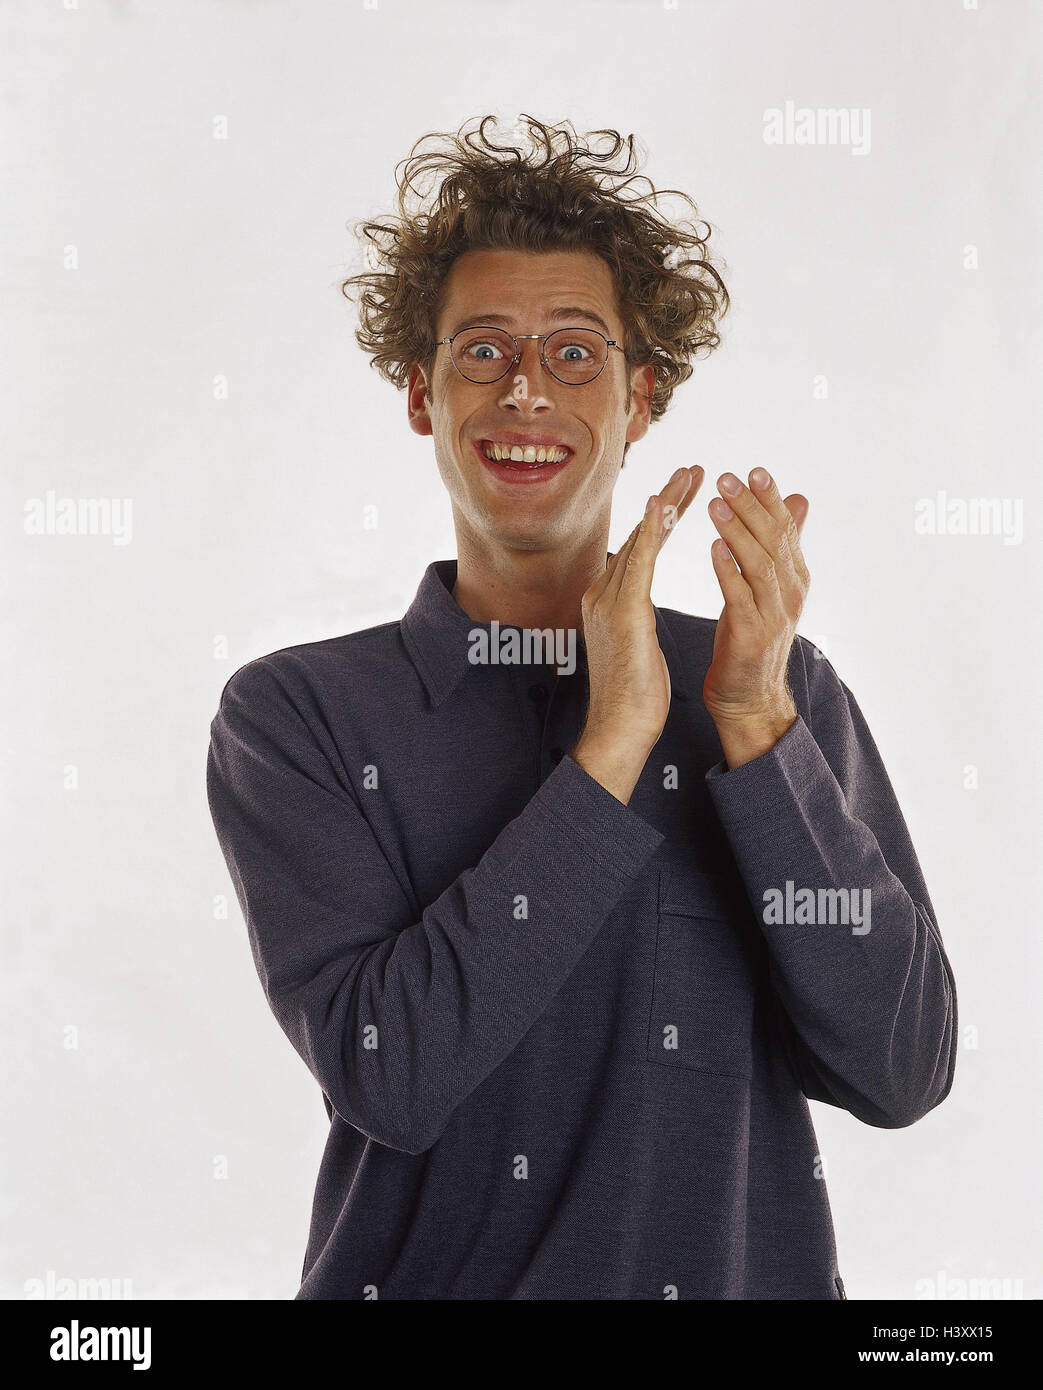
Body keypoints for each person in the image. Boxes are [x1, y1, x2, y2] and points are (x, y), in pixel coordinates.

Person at [206, 114, 957, 1300]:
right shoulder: (296, 716)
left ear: (639, 398)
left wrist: (755, 728)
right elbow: (390, 1074)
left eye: (572, 353)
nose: (524, 389)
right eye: (482, 350)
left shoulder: (773, 692)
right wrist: (611, 748)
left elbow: (900, 1067)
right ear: (419, 393)